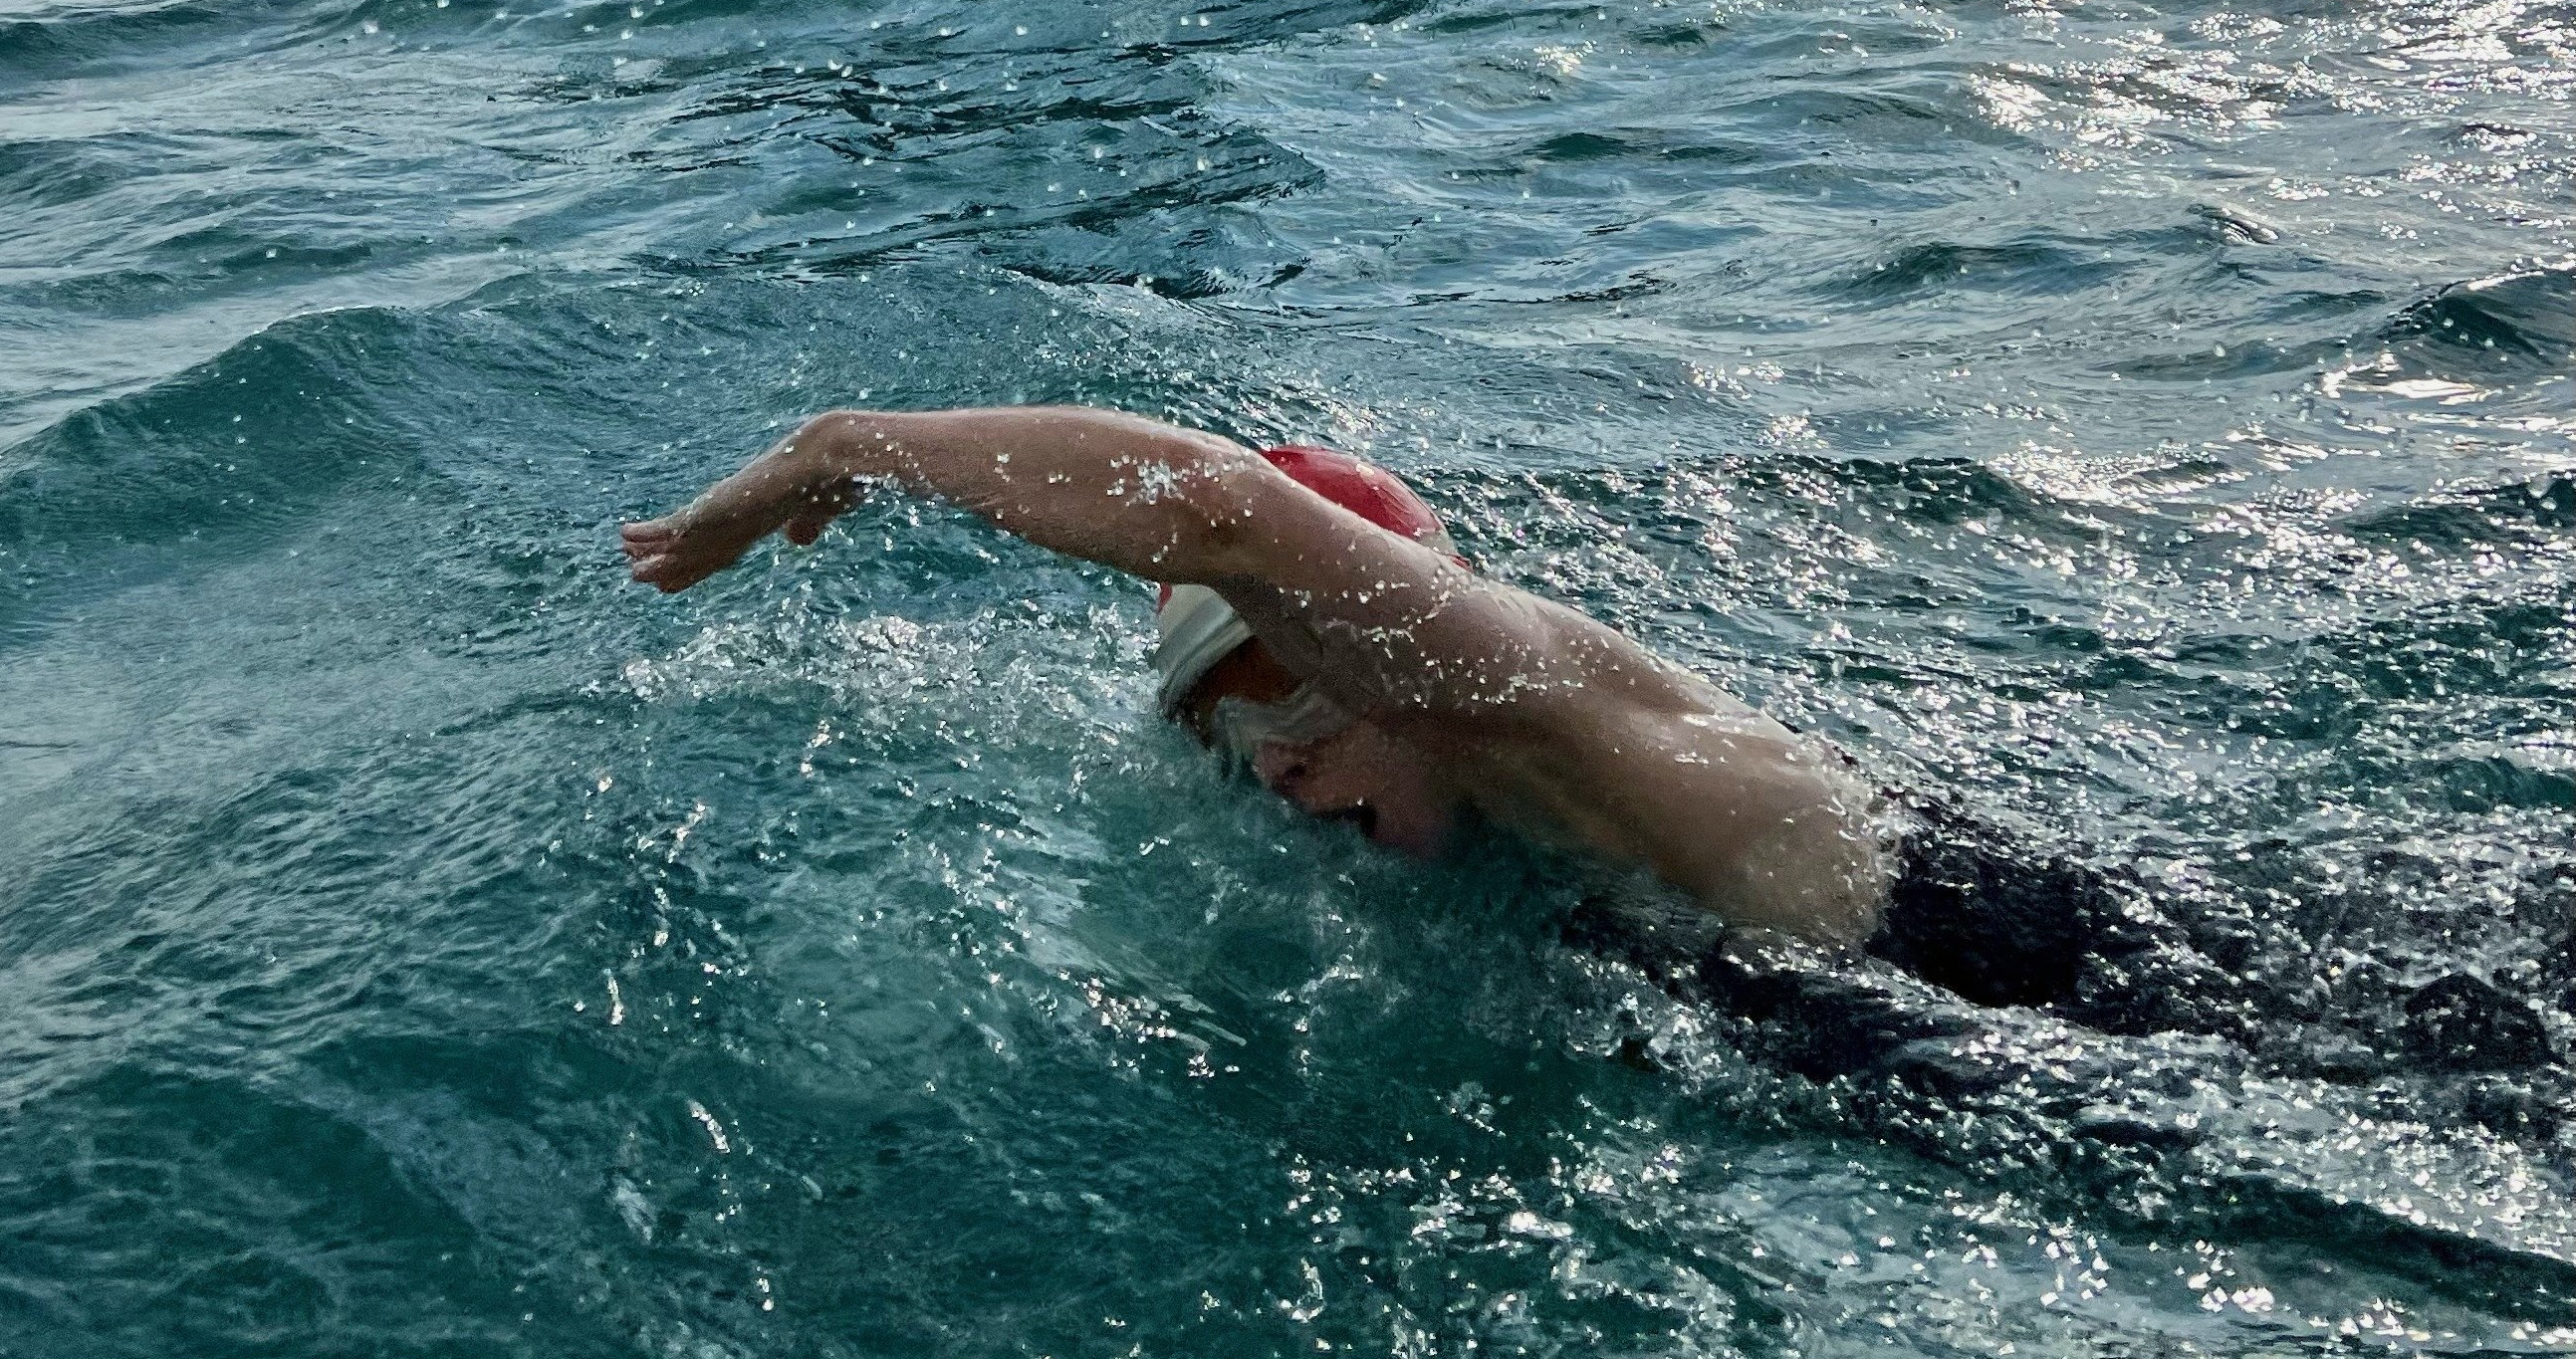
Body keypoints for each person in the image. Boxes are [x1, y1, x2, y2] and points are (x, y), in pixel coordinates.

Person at [620, 403, 1897, 948]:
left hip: (2012, 991)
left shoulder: (1525, 693)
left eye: (1290, 690)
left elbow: (1221, 506)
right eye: (1222, 729)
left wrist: (851, 445)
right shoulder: (1508, 834)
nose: (1275, 760)